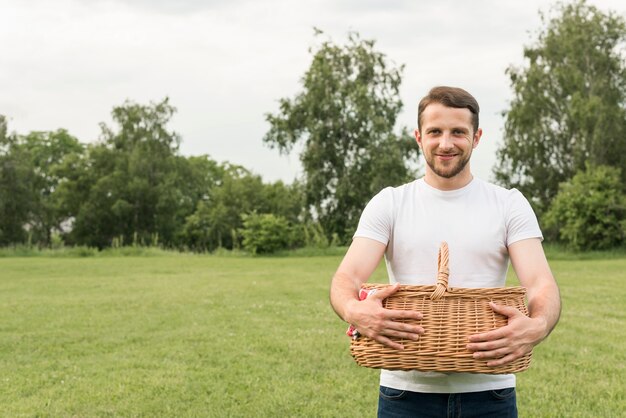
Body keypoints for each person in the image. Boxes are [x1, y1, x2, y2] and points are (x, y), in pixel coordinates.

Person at [329, 86, 561, 418]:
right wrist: (354, 310)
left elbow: (541, 285)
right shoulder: (390, 203)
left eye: (458, 132)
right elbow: (346, 278)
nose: (446, 143)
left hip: (490, 392)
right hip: (404, 394)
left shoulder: (508, 203)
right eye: (435, 131)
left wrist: (537, 325)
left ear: (476, 137)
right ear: (418, 137)